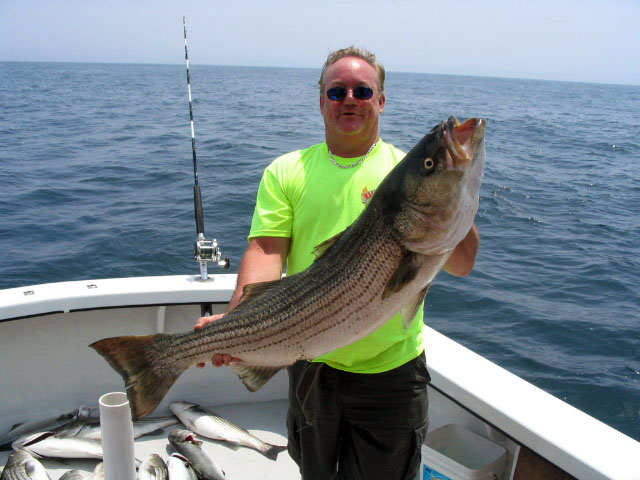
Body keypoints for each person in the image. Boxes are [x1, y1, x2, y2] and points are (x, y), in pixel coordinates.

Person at [194, 46, 479, 480]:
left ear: (381, 100)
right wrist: (237, 322)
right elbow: (267, 250)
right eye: (337, 90)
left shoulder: (404, 170)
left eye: (363, 90)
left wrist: (455, 190)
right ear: (321, 99)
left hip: (391, 372)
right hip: (310, 360)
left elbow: (461, 264)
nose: (350, 98)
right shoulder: (285, 171)